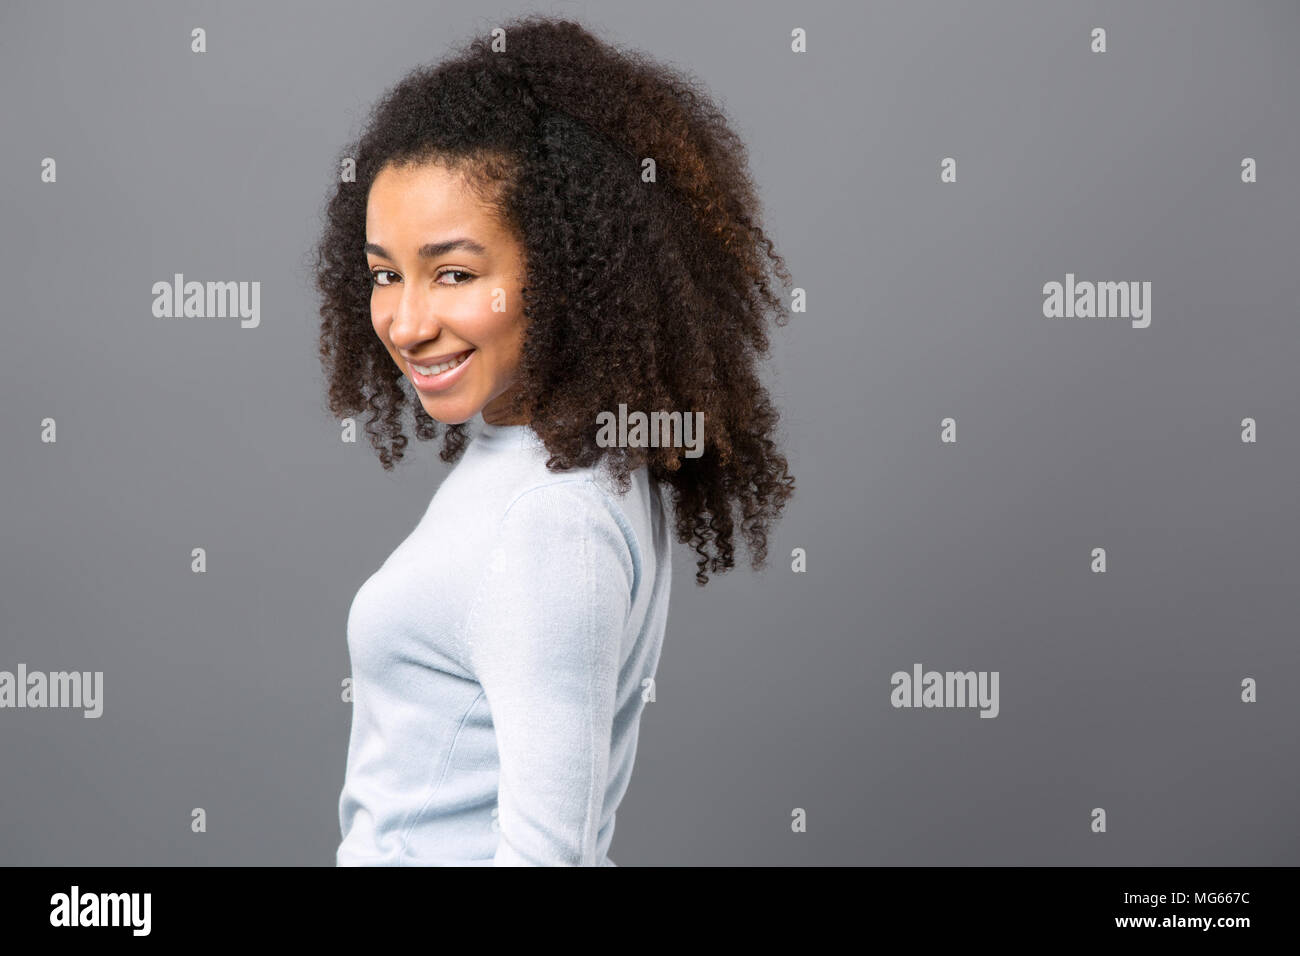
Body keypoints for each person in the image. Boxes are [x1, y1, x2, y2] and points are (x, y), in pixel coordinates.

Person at [313, 14, 795, 865]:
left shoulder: (551, 519)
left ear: (569, 268)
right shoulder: (556, 453)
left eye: (454, 273)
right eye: (385, 273)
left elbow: (550, 856)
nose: (405, 321)